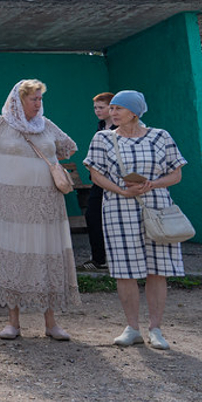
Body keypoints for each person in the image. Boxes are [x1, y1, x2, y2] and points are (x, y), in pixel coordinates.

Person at [0, 79, 79, 341]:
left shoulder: (46, 125)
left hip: (46, 202)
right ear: (18, 99)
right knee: (11, 255)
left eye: (40, 99)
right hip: (9, 203)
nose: (38, 104)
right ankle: (13, 322)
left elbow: (68, 148)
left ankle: (51, 322)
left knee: (47, 253)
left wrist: (44, 165)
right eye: (33, 99)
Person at [83, 90, 186, 350]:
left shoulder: (160, 136)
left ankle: (156, 329)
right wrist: (121, 190)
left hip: (157, 208)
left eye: (118, 108)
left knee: (158, 269)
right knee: (124, 270)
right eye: (112, 108)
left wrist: (153, 184)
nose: (112, 112)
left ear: (134, 112)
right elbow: (96, 175)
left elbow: (176, 174)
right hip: (118, 208)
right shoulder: (103, 138)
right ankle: (132, 328)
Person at [81, 92, 116, 271]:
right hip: (98, 179)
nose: (97, 111)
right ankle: (99, 258)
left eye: (101, 108)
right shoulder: (101, 125)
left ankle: (113, 258)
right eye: (95, 108)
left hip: (115, 181)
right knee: (93, 215)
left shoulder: (119, 127)